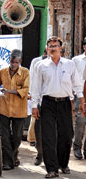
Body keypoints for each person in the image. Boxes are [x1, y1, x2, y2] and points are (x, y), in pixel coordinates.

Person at [31, 36, 84, 178]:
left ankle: (63, 164)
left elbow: (77, 83)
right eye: (50, 46)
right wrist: (34, 106)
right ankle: (51, 169)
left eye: (55, 46)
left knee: (66, 135)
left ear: (61, 48)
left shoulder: (69, 64)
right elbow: (35, 87)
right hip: (47, 103)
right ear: (47, 49)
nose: (53, 48)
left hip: (65, 103)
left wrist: (82, 100)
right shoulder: (40, 66)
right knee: (48, 137)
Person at [0, 49, 29, 170]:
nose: (13, 64)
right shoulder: (3, 72)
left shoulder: (25, 72)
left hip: (19, 110)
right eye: (12, 61)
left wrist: (9, 91)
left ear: (19, 61)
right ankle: (6, 162)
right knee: (4, 136)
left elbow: (25, 90)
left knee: (17, 136)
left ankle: (13, 156)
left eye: (16, 62)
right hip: (4, 108)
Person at [28, 49, 47, 166]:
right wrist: (33, 100)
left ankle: (52, 157)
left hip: (54, 103)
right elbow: (32, 80)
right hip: (39, 101)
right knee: (38, 131)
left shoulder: (63, 65)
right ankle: (40, 154)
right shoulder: (37, 63)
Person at [72, 38, 86, 160]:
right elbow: (71, 77)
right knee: (80, 122)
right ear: (84, 46)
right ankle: (77, 146)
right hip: (80, 94)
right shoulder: (76, 60)